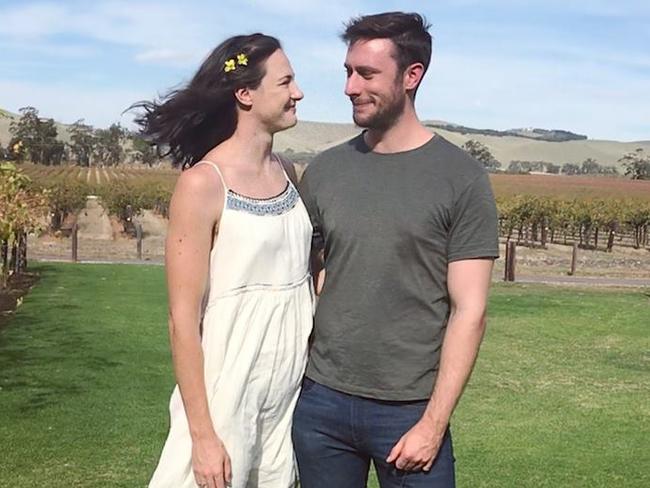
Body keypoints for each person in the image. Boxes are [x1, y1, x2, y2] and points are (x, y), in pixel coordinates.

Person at [293, 12, 499, 488]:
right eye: (348, 71)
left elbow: (470, 311)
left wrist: (433, 423)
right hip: (321, 403)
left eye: (366, 74)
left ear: (412, 76)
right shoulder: (325, 171)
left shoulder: (461, 179)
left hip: (410, 411)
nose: (349, 86)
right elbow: (310, 271)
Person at [134, 33, 312, 488]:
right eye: (286, 82)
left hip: (286, 392)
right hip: (225, 387)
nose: (298, 93)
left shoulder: (289, 173)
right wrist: (203, 436)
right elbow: (182, 319)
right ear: (245, 93)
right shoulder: (203, 184)